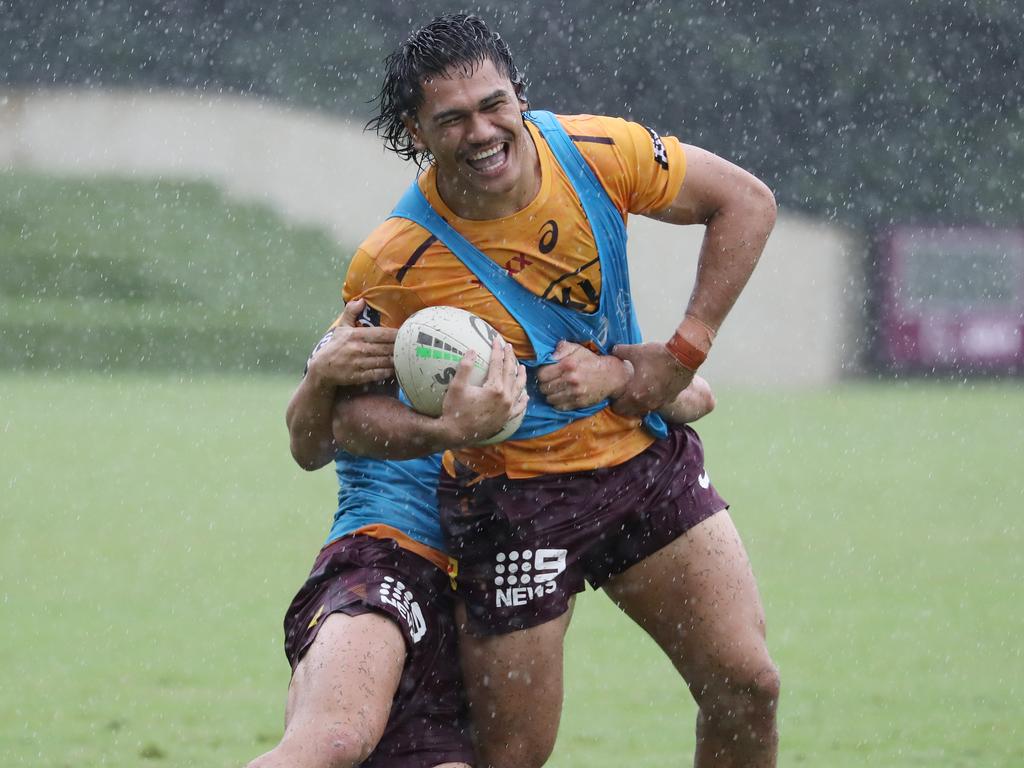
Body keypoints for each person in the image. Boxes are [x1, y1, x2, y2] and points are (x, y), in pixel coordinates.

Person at [326, 13, 780, 768]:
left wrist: (680, 353)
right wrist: (448, 431)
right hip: (511, 509)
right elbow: (350, 420)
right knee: (513, 757)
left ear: (520, 95)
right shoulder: (394, 262)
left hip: (641, 467)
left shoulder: (600, 153)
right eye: (452, 118)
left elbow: (749, 203)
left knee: (747, 685)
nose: (481, 131)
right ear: (417, 131)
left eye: (493, 104)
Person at [251, 301, 718, 768]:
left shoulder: (546, 303)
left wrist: (618, 376)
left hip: (486, 593)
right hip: (383, 558)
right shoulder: (382, 305)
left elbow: (698, 395)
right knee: (336, 737)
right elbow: (307, 447)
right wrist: (320, 377)